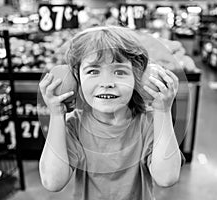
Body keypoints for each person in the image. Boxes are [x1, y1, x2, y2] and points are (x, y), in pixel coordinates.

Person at [39, 26, 183, 200]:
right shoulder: (74, 126)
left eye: (119, 72)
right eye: (93, 71)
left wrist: (163, 111)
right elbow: (52, 182)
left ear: (137, 79)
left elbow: (166, 178)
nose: (107, 83)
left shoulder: (150, 123)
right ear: (77, 79)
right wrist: (56, 115)